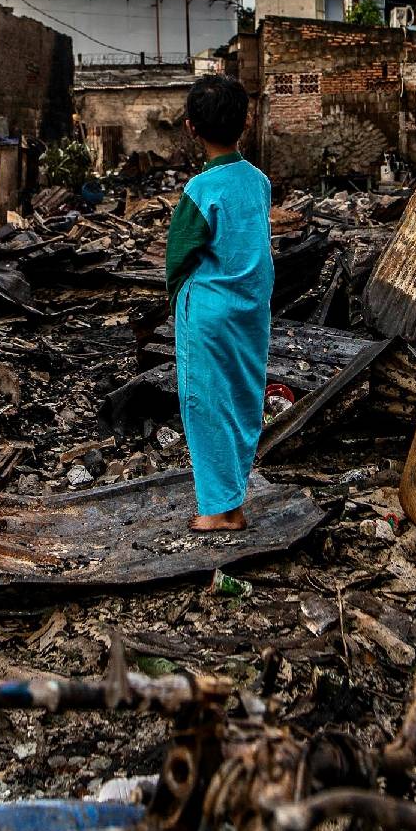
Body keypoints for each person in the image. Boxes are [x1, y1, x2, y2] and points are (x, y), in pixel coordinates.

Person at [165, 75, 274, 532]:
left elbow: (179, 256)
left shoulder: (199, 191)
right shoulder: (259, 181)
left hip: (208, 313)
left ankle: (218, 510)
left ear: (191, 128)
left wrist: (179, 301)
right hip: (252, 308)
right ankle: (233, 499)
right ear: (246, 124)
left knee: (205, 404)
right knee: (244, 399)